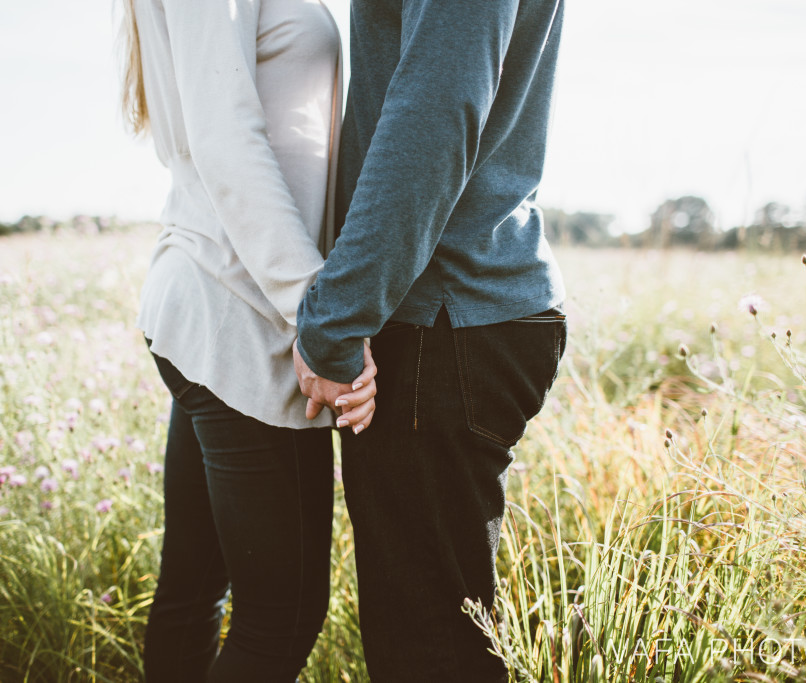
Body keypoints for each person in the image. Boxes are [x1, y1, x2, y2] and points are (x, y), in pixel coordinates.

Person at [293, 0, 568, 680]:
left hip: (440, 322)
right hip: (445, 315)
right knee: (433, 634)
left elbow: (436, 117)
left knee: (430, 650)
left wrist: (334, 325)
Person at [118, 0, 376, 680]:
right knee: (282, 616)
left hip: (209, 300)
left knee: (192, 589)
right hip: (245, 309)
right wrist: (317, 317)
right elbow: (226, 140)